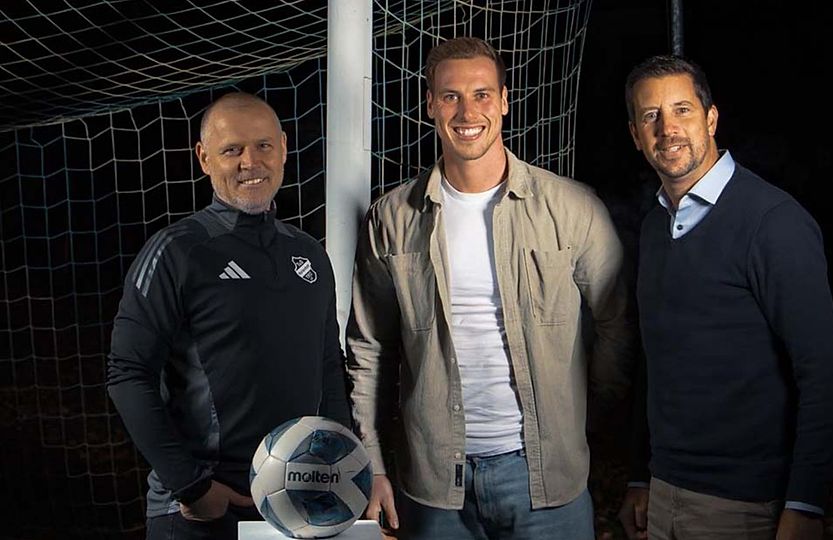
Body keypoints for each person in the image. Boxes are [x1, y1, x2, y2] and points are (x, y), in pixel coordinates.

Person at [346, 37, 633, 540]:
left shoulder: (572, 208)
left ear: (503, 100)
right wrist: (373, 462)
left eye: (481, 94)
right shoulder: (391, 219)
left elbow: (615, 321)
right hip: (434, 484)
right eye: (451, 96)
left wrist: (585, 419)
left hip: (545, 478)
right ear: (430, 104)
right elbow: (369, 348)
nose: (466, 111)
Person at [617, 55, 833, 540]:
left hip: (746, 505)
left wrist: (805, 503)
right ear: (635, 135)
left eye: (682, 109)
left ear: (710, 118)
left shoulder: (772, 223)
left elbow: (825, 375)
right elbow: (654, 361)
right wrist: (641, 474)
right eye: (650, 116)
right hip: (663, 496)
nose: (668, 128)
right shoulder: (655, 226)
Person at [107, 92, 350, 540]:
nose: (250, 162)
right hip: (203, 512)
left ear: (283, 146)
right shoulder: (178, 251)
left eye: (262, 146)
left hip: (301, 504)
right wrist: (191, 485)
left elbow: (327, 366)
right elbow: (127, 373)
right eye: (232, 150)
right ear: (204, 158)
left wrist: (343, 467)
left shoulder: (309, 254)